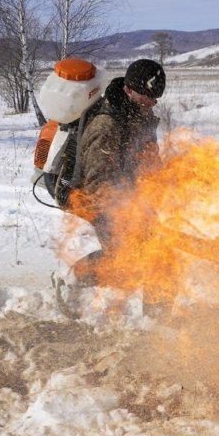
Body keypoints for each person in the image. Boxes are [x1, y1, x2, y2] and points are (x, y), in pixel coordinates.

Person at [69, 58, 166, 286]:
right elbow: (97, 182)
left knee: (159, 249)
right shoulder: (107, 124)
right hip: (99, 197)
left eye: (155, 98)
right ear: (129, 89)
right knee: (123, 258)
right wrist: (126, 211)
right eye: (147, 97)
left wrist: (161, 184)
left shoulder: (141, 114)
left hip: (129, 194)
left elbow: (149, 159)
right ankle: (72, 280)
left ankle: (157, 320)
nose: (151, 102)